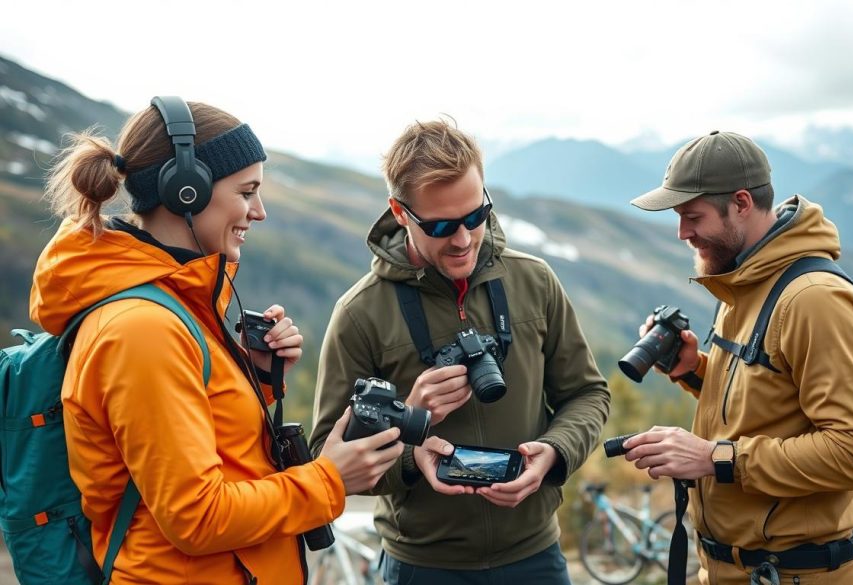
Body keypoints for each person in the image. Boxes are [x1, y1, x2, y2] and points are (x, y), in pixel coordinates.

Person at [30, 98, 403, 584]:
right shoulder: (142, 330)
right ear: (187, 191)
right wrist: (331, 479)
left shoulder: (177, 305)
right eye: (246, 191)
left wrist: (255, 377)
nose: (259, 211)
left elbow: (201, 450)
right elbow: (197, 516)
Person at [310, 118, 610, 584]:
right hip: (421, 566)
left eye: (476, 215)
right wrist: (409, 434)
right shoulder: (360, 314)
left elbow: (588, 394)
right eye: (443, 225)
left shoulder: (534, 281)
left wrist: (553, 453)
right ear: (399, 211)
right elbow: (327, 459)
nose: (464, 239)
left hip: (536, 556)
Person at [622, 131, 853, 584]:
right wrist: (695, 371)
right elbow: (772, 404)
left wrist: (715, 458)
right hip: (735, 571)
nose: (682, 232)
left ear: (741, 203)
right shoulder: (744, 279)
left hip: (798, 574)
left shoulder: (814, 300)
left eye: (692, 216)